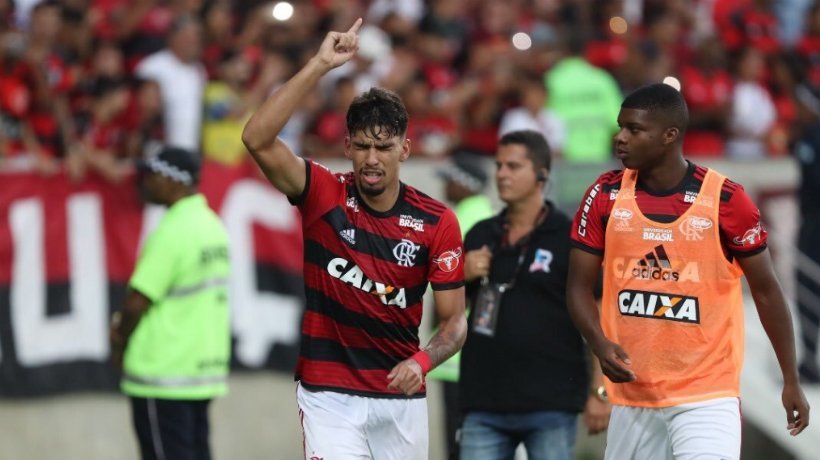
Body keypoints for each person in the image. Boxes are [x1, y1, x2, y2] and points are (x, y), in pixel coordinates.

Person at [241, 19, 467, 460]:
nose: (371, 159)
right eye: (362, 146)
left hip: (399, 395)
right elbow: (256, 138)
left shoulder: (437, 221)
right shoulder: (323, 194)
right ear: (346, 146)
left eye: (383, 148)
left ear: (404, 149)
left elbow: (454, 323)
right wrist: (319, 65)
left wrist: (422, 363)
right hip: (328, 394)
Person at [566, 83, 810, 460]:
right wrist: (599, 344)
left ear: (669, 136)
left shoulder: (726, 200)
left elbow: (766, 291)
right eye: (621, 126)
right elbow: (578, 288)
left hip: (707, 396)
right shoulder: (604, 194)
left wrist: (790, 379)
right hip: (634, 395)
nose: (621, 138)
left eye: (634, 129)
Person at [458, 130, 610, 460]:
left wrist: (600, 390)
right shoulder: (480, 234)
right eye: (499, 166)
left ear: (542, 174)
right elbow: (449, 314)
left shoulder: (570, 237)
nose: (501, 174)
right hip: (483, 402)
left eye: (513, 166)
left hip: (551, 404)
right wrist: (459, 276)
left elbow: (598, 314)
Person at [109, 146, 231, 460]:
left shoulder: (173, 231)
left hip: (162, 373)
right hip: (200, 372)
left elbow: (137, 301)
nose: (146, 182)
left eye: (152, 175)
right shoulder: (212, 226)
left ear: (172, 180)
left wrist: (119, 341)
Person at [428, 150, 495, 459]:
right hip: (473, 351)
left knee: (461, 447)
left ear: (465, 183)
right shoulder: (484, 216)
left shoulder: (465, 220)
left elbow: (455, 283)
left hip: (458, 354)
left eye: (450, 180)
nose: (446, 187)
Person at [794, 83, 820, 382]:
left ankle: (811, 358)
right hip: (811, 223)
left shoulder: (811, 140)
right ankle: (810, 358)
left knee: (809, 290)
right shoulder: (805, 138)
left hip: (814, 226)